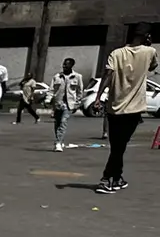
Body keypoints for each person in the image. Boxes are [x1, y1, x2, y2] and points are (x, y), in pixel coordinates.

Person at [91, 25, 158, 193]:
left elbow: (108, 75)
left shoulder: (116, 53)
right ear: (146, 36)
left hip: (114, 106)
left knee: (117, 146)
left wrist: (98, 97)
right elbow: (152, 67)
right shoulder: (150, 52)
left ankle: (117, 178)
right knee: (119, 147)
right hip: (134, 109)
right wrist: (149, 45)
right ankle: (106, 179)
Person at [49, 58, 83, 152]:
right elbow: (51, 90)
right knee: (58, 122)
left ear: (71, 66)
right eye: (64, 64)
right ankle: (60, 139)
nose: (64, 66)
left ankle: (58, 143)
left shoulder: (77, 77)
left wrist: (77, 103)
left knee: (63, 122)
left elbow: (80, 91)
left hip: (69, 104)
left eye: (67, 64)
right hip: (58, 103)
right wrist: (48, 100)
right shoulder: (57, 76)